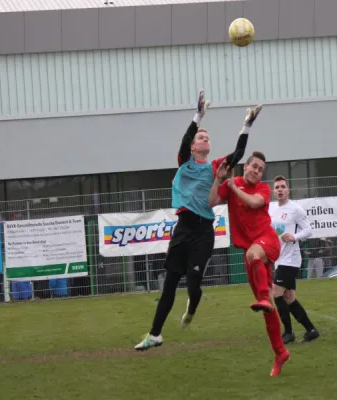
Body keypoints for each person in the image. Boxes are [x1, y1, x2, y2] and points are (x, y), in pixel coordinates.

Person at [135, 90, 262, 351]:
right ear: (194, 146)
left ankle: (192, 306)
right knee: (170, 282)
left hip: (204, 231)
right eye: (200, 137)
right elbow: (183, 141)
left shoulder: (215, 166)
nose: (204, 139)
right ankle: (155, 333)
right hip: (184, 228)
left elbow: (238, 154)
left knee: (193, 284)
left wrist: (246, 125)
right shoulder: (184, 162)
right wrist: (198, 116)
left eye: (207, 137)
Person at [209, 152, 290, 377]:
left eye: (260, 169)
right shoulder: (232, 183)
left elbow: (254, 203)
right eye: (254, 166)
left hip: (267, 241)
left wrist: (233, 187)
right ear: (245, 166)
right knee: (268, 308)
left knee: (254, 256)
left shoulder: (262, 188)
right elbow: (212, 201)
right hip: (250, 253)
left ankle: (264, 296)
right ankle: (280, 352)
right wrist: (219, 179)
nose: (256, 171)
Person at [269, 175, 320, 344]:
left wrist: (295, 236)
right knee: (289, 298)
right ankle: (311, 330)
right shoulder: (271, 209)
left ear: (288, 190)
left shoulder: (296, 209)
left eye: (283, 186)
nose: (280, 189)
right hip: (279, 258)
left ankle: (288, 333)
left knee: (276, 292)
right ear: (274, 191)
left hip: (291, 259)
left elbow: (309, 230)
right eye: (277, 187)